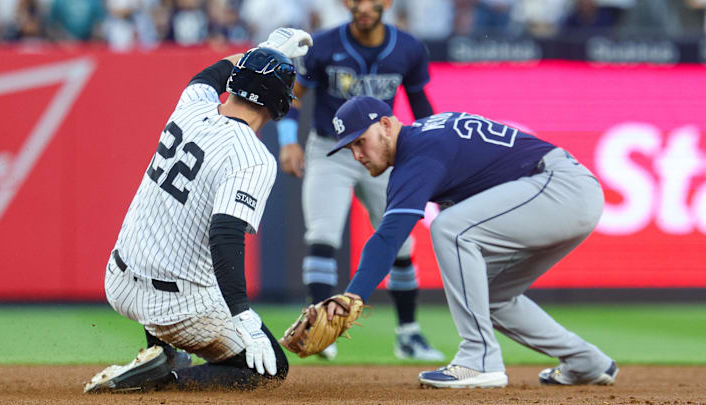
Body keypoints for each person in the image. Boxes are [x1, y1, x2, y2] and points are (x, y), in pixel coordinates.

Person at [323, 96, 619, 388]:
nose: (357, 155)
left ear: (386, 125)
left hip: (559, 187)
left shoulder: (419, 155)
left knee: (450, 229)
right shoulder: (424, 138)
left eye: (361, 141)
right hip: (565, 192)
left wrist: (353, 295)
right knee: (490, 294)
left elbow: (389, 238)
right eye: (351, 147)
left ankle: (479, 359)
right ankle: (585, 361)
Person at [84, 28, 313, 393]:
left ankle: (161, 352)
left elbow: (208, 76)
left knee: (172, 240)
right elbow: (224, 236)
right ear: (279, 103)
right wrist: (244, 317)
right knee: (269, 369)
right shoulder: (253, 158)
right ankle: (162, 378)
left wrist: (263, 50)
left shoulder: (191, 106)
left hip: (118, 280)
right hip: (175, 306)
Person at [276, 0, 443, 362]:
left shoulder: (409, 48)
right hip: (329, 149)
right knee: (322, 235)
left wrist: (434, 157)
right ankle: (322, 326)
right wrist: (287, 140)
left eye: (372, 1)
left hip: (383, 152)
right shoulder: (322, 44)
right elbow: (294, 97)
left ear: (387, 3)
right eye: (356, 0)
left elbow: (421, 106)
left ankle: (409, 334)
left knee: (401, 244)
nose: (364, 7)